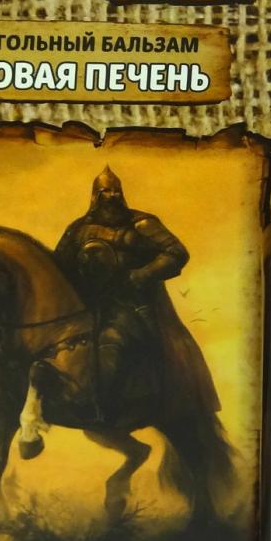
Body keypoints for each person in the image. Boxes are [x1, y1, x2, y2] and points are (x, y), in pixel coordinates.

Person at [53, 167, 220, 420]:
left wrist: (140, 275)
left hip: (131, 302)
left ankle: (108, 409)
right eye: (105, 191)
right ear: (95, 195)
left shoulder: (142, 224)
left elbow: (176, 253)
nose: (112, 195)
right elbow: (59, 265)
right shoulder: (78, 229)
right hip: (89, 303)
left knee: (117, 342)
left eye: (116, 191)